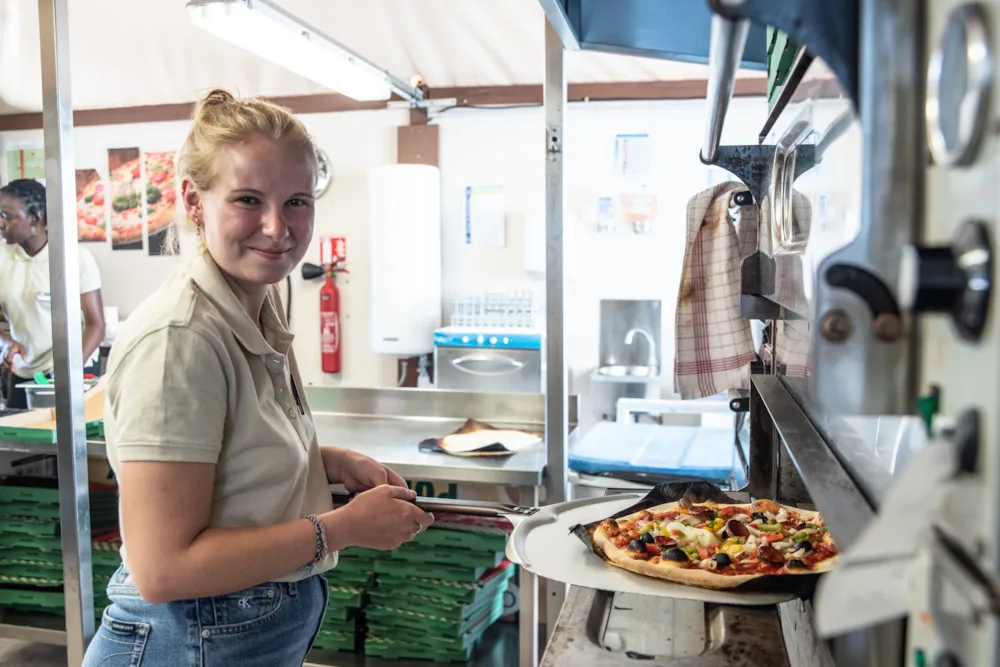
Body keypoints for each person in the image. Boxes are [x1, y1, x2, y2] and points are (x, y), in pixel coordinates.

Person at [82, 90, 434, 667]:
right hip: (185, 643)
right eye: (248, 199)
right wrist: (340, 529)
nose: (277, 228)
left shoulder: (255, 304)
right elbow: (162, 569)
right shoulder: (180, 341)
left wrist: (325, 459)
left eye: (296, 201)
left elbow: (230, 459)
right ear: (194, 203)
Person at [0, 178, 105, 408]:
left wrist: (69, 370)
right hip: (24, 371)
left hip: (73, 367)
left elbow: (96, 324)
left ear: (36, 217)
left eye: (7, 216)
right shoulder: (2, 257)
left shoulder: (75, 258)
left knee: (68, 439)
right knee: (22, 440)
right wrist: (7, 343)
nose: (1, 223)